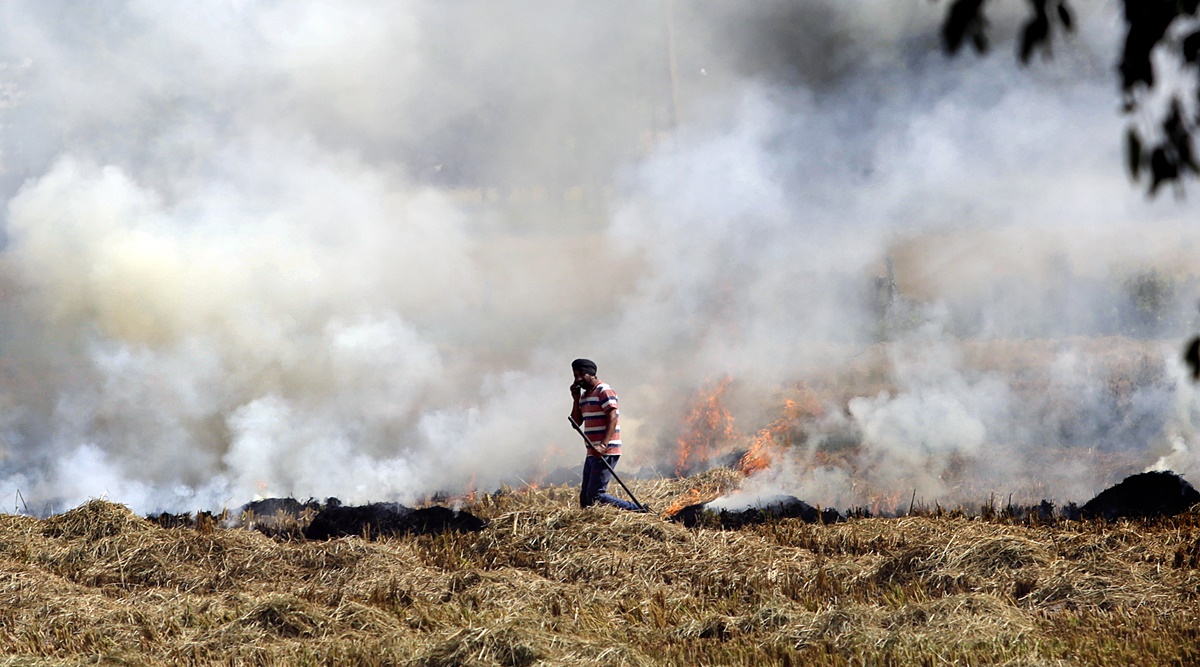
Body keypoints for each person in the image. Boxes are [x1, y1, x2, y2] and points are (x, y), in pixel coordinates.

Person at [570, 358, 641, 511]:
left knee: (596, 495)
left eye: (581, 375)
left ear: (591, 374)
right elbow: (576, 422)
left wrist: (603, 445)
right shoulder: (584, 396)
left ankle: (638, 510)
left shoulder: (604, 391)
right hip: (592, 451)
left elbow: (613, 417)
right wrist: (575, 399)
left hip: (605, 450)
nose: (578, 380)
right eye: (575, 376)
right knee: (585, 499)